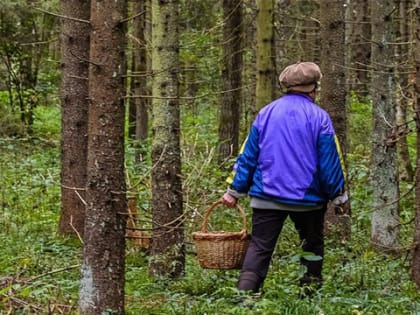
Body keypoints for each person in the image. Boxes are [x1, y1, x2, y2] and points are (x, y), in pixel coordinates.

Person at [221, 61, 347, 296]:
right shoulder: (320, 117)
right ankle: (309, 297)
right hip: (308, 200)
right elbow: (330, 162)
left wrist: (234, 191)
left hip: (266, 196)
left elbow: (248, 155)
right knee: (312, 246)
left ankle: (244, 300)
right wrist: (339, 196)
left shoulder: (266, 113)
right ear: (313, 88)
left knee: (259, 248)